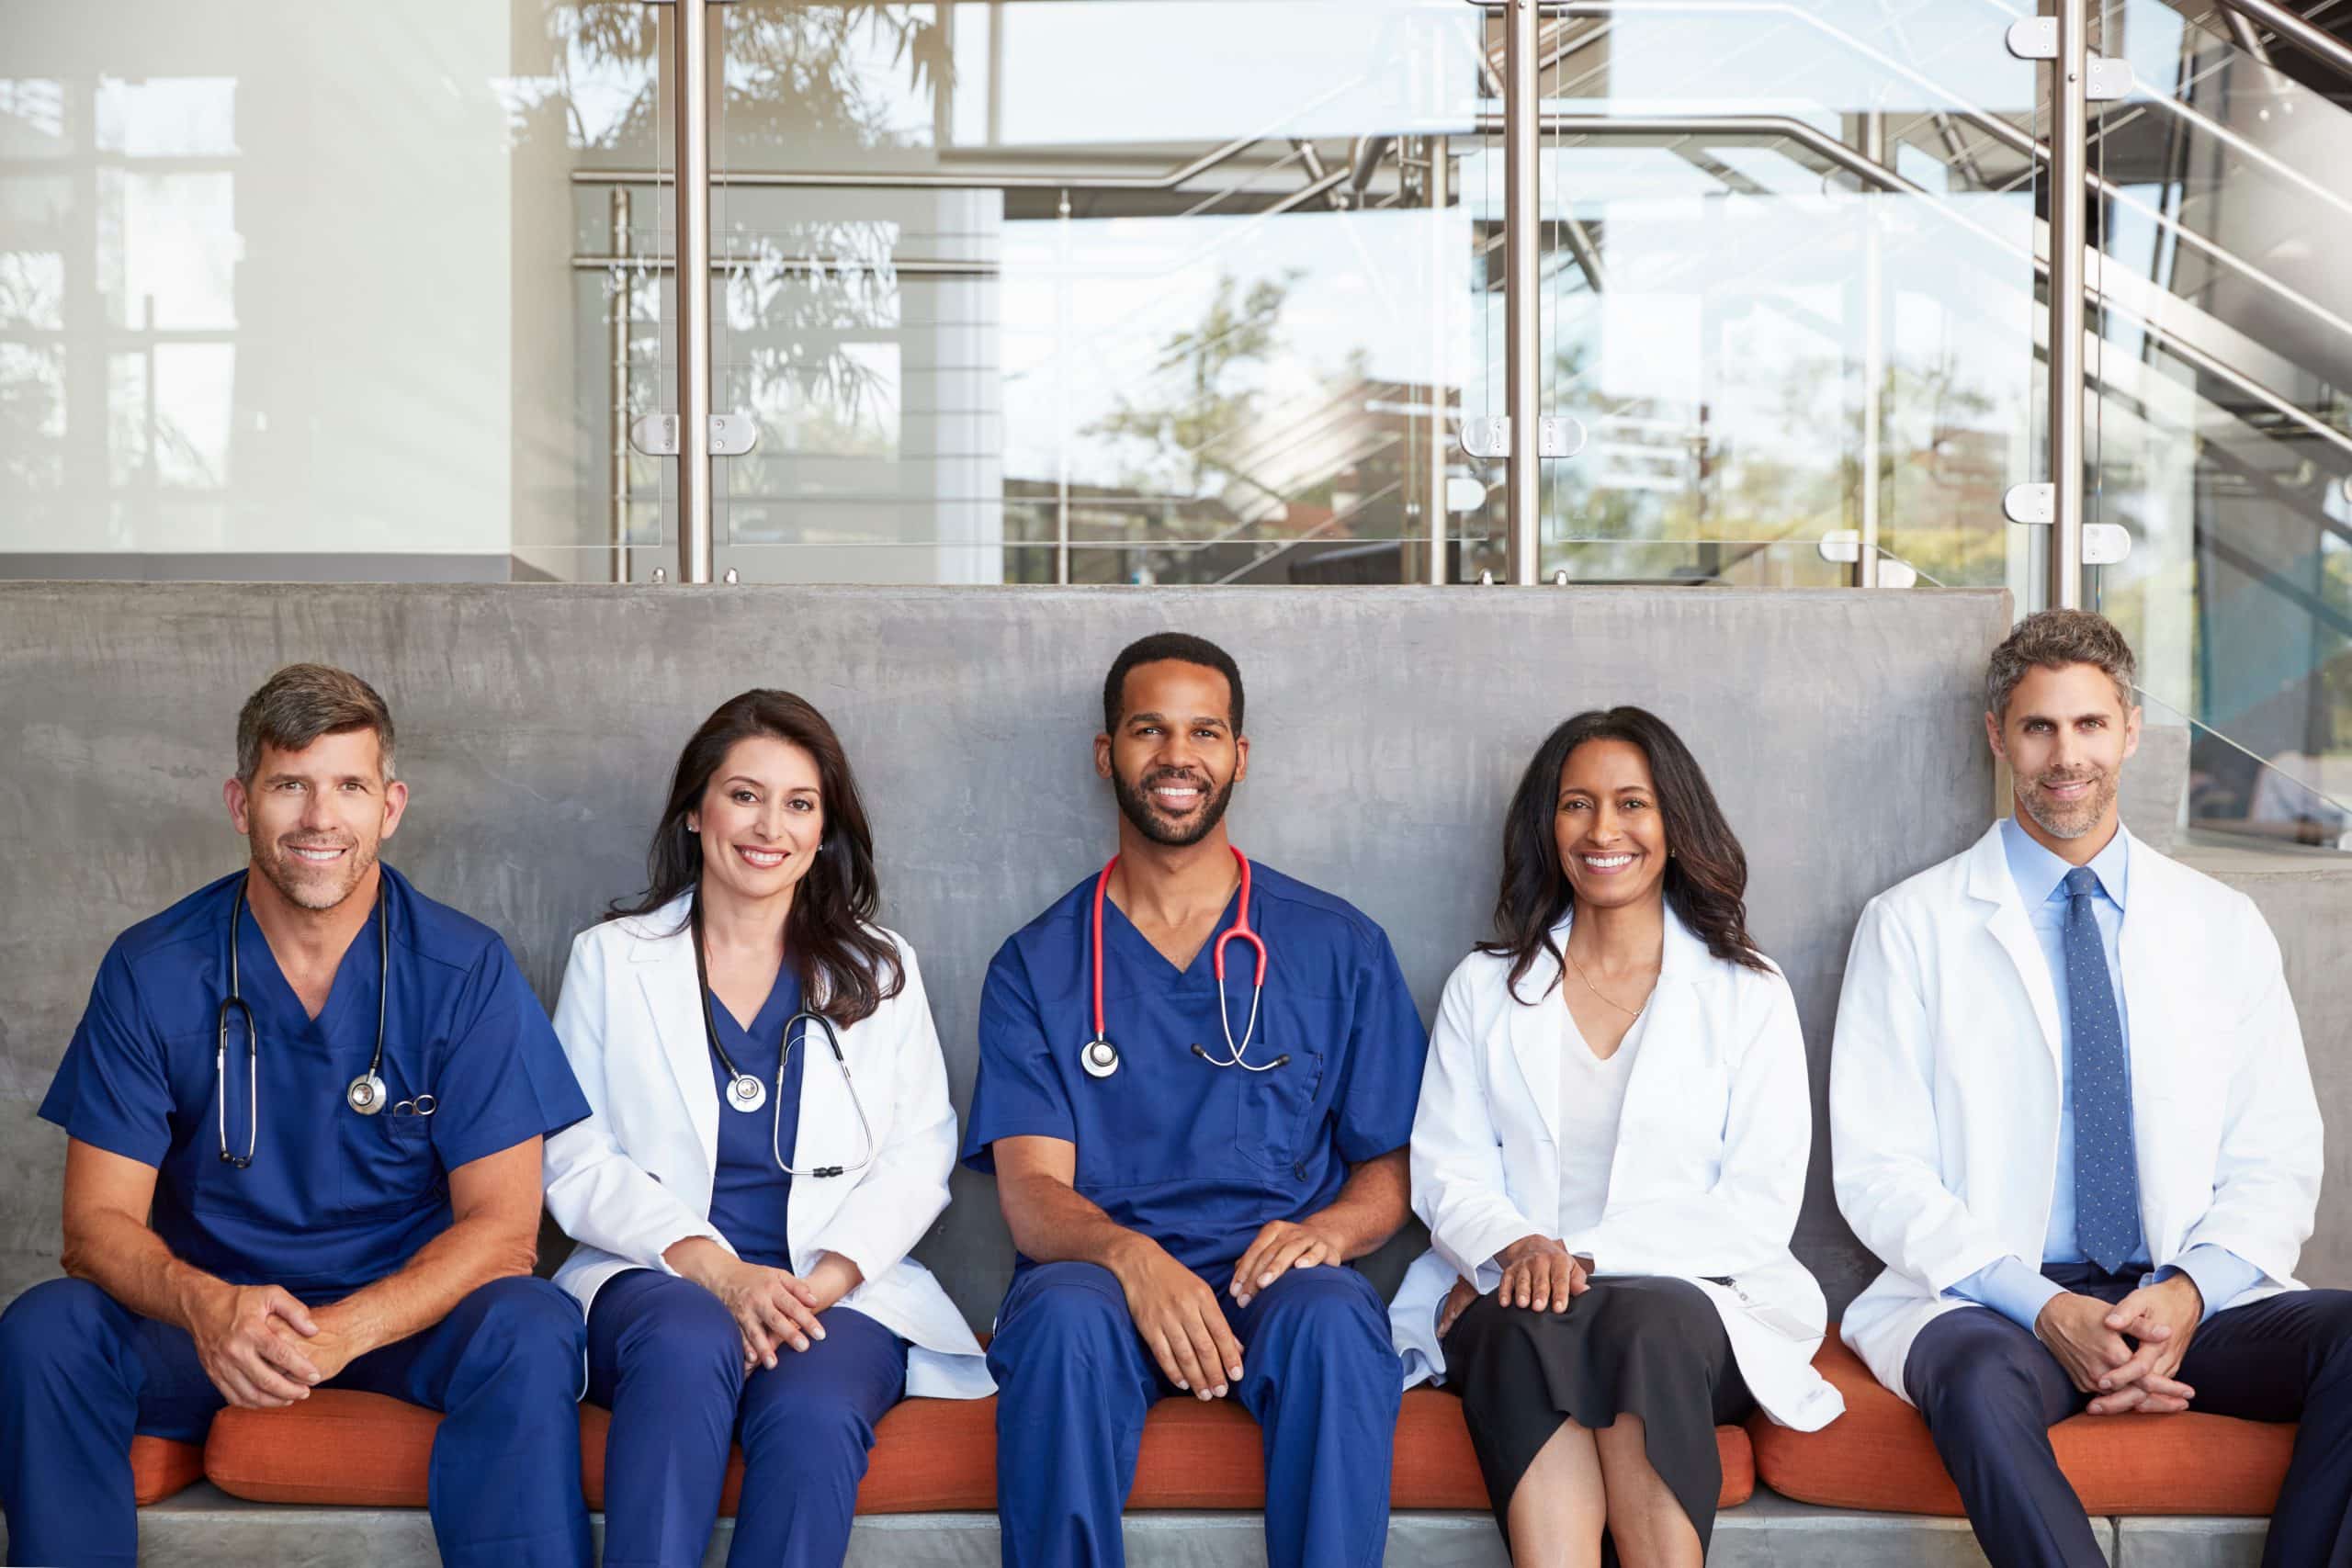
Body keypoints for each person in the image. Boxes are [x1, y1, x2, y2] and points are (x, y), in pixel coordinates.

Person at [0, 663, 594, 1568]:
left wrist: (344, 1333)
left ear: (390, 806)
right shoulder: (153, 967)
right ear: (242, 803)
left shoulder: (465, 969)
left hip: (402, 1329)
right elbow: (94, 1227)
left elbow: (505, 1232)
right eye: (291, 785)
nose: (321, 817)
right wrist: (210, 1308)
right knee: (46, 1329)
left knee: (531, 1325)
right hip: (211, 1333)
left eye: (348, 785)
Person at [1832, 608, 2348, 1568]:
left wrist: (2187, 1296)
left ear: (2130, 732)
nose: (2064, 757)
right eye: (2036, 728)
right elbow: (1879, 1171)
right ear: (1998, 737)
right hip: (1996, 1308)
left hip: (2187, 1306)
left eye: (2087, 726)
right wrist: (2045, 1309)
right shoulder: (1909, 925)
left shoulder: (2220, 925)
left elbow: (2275, 1159)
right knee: (1975, 1381)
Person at [964, 632, 1428, 1568]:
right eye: (1149, 730)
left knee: (1336, 1320)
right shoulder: (1038, 963)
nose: (1178, 756)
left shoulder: (1336, 946)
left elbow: (1392, 1164)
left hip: (1274, 1273)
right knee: (1057, 1320)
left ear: (1238, 757)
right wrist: (1131, 1257)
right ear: (1107, 754)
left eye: (1204, 732)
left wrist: (1333, 1233)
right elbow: (1030, 1194)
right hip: (1098, 1279)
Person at [541, 690, 990, 1568]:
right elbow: (573, 1152)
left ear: (825, 831)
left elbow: (920, 1152)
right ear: (695, 809)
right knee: (685, 1340)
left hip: (836, 1289)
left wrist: (812, 1287)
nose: (768, 826)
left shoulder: (881, 967)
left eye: (799, 803)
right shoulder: (613, 960)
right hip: (658, 1275)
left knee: (815, 1413)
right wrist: (719, 1273)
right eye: (744, 794)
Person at [1393, 707, 1843, 1567]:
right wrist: (1516, 1250)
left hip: (1694, 1300)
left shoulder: (1747, 990)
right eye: (1577, 805)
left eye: (1632, 803)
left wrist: (1565, 1254)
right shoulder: (1485, 987)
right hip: (1517, 1293)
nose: (1604, 829)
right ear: (1547, 824)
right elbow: (1447, 1166)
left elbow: (1755, 1207)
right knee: (1526, 1328)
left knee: (1643, 1319)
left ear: (1674, 821)